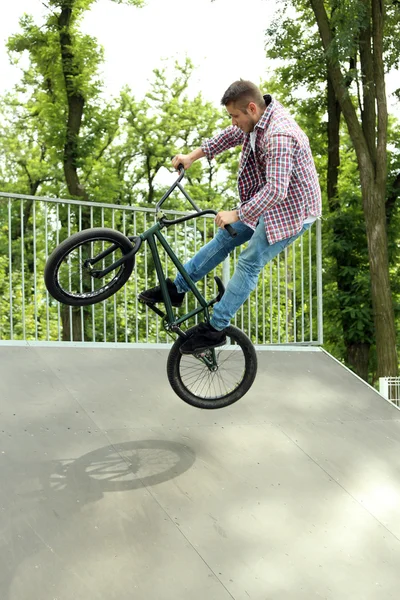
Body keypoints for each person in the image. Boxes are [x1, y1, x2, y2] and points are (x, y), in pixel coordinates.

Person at [139, 80, 322, 354]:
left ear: (251, 108)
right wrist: (192, 156)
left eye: (235, 116)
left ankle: (215, 329)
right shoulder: (254, 121)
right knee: (225, 239)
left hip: (292, 210)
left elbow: (276, 191)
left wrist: (237, 213)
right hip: (266, 200)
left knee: (250, 261)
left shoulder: (280, 135)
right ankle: (177, 289)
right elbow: (227, 136)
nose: (234, 122)